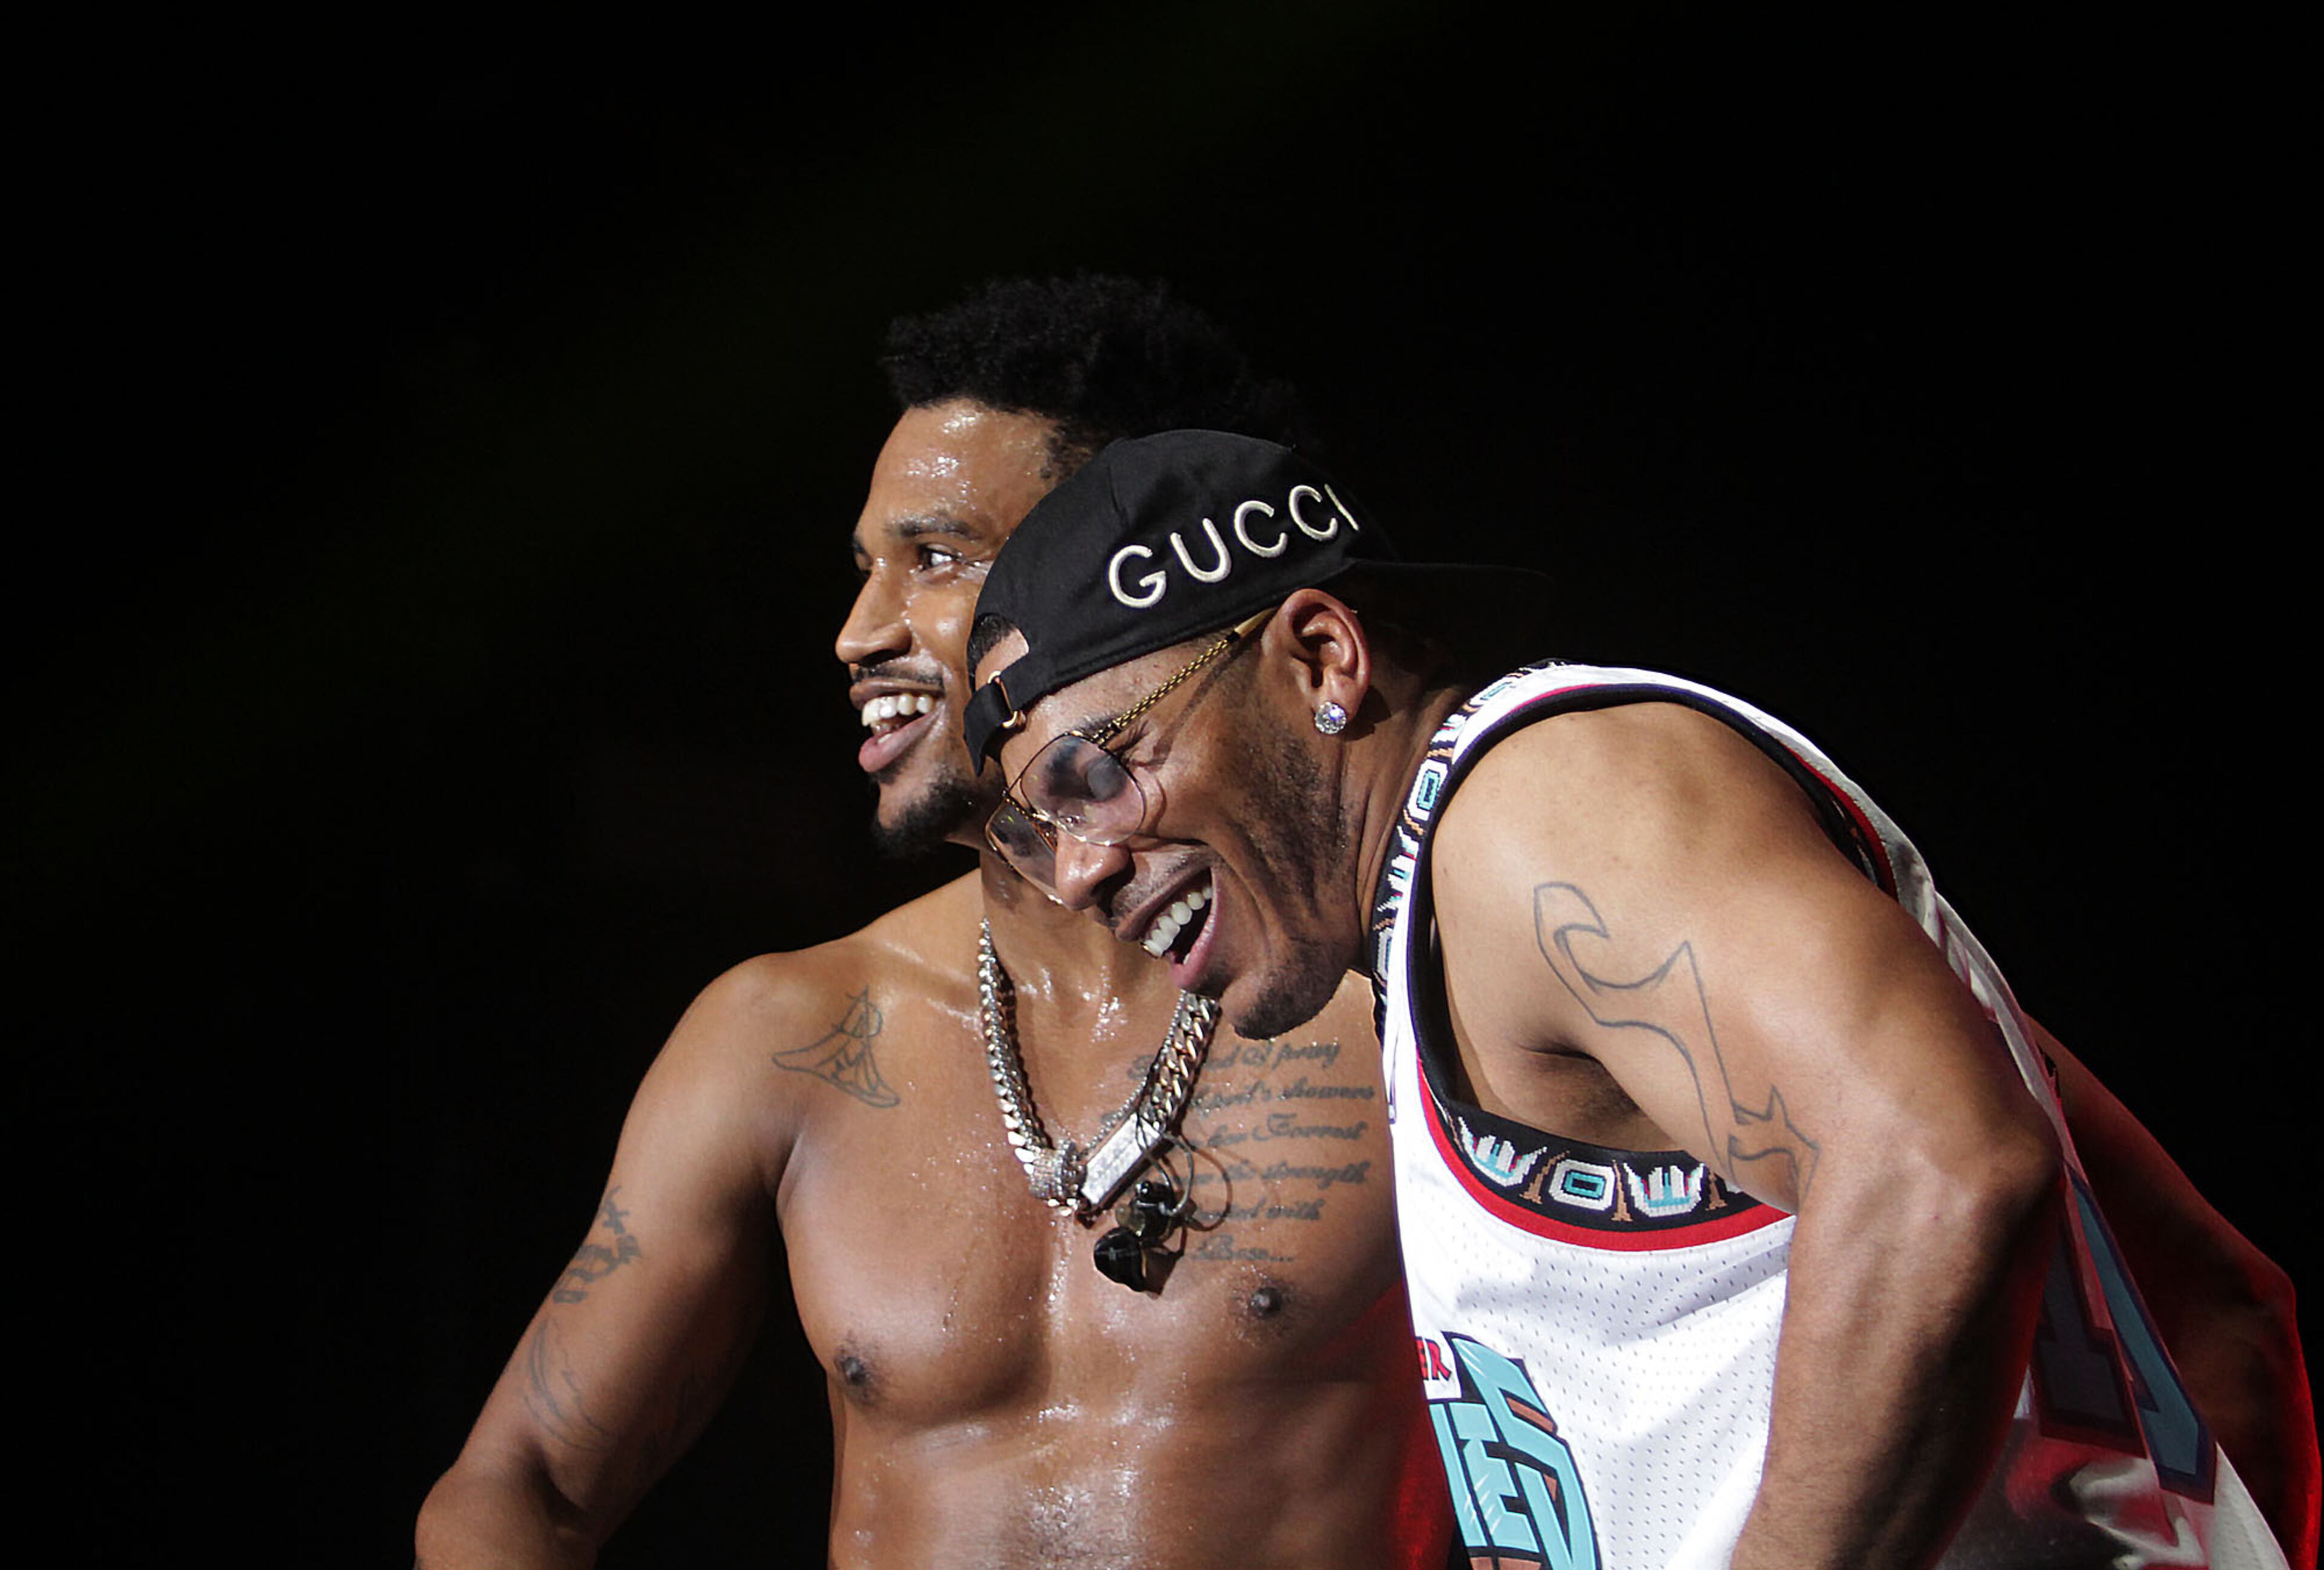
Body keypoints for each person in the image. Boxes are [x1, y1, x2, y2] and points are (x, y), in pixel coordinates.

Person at [963, 429, 2316, 1568]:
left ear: (1323, 657)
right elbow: (2218, 1305)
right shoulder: (1473, 918)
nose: (1077, 870)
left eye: (1099, 770)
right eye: (1036, 827)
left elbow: (1941, 1167)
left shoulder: (1533, 815)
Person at [415, 279, 1456, 1567]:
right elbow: (517, 1488)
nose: (859, 631)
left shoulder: (1397, 1000)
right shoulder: (789, 1033)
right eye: (868, 567)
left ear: (1107, 585)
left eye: (941, 557)